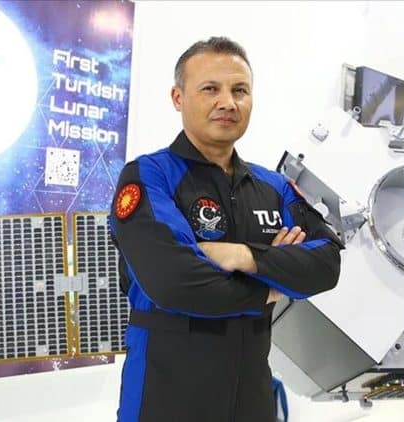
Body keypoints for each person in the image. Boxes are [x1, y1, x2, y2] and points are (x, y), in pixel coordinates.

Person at [110, 36, 343, 422]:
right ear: (178, 97)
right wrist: (274, 284)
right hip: (164, 399)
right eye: (210, 89)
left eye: (239, 90)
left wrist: (244, 256)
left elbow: (327, 264)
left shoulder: (274, 188)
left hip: (251, 399)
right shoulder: (150, 176)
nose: (228, 102)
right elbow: (176, 282)